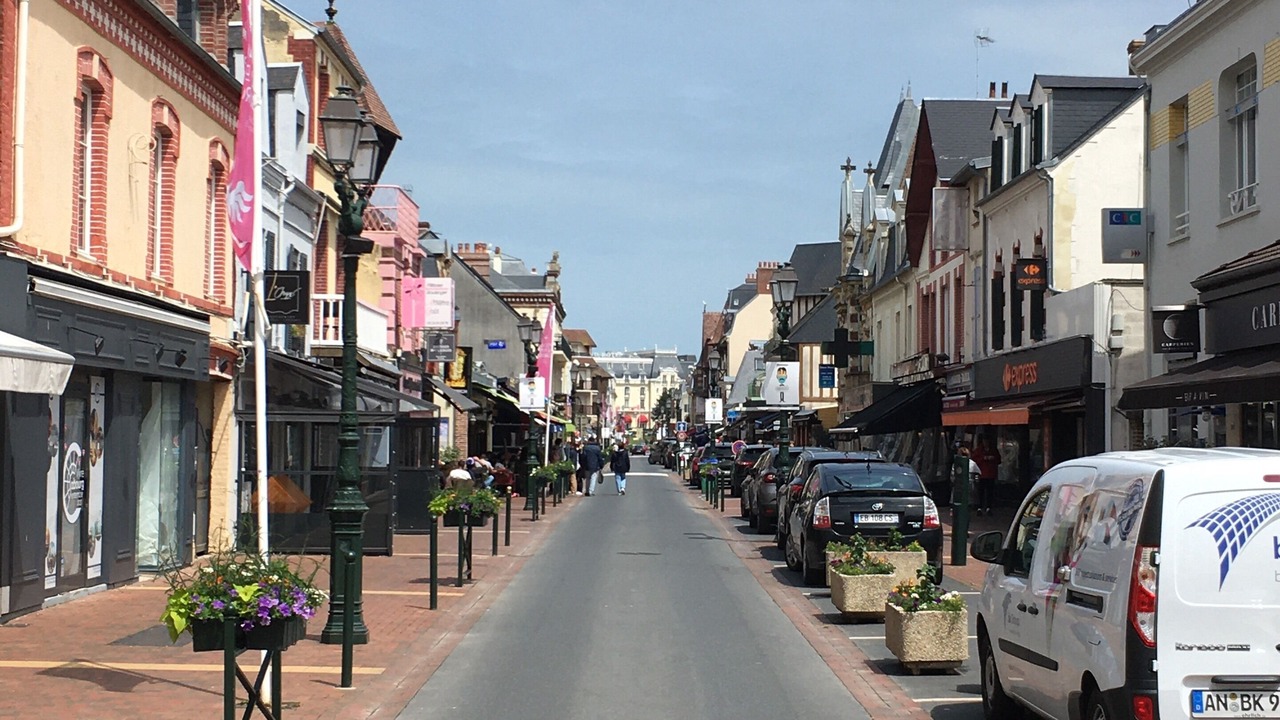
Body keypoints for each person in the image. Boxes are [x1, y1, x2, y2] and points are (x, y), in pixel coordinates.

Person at [973, 436, 1001, 516]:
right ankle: (980, 507)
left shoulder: (993, 450)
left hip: (991, 474)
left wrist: (993, 458)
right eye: (985, 441)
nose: (986, 443)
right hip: (981, 474)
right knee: (980, 492)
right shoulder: (979, 450)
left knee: (990, 492)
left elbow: (999, 460)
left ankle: (989, 507)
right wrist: (983, 458)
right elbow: (974, 459)